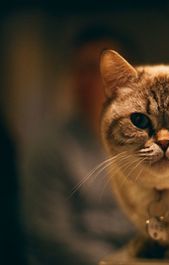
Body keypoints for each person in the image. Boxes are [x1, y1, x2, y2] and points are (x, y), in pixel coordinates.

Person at [20, 27, 134, 265]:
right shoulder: (50, 145)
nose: (84, 80)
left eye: (95, 69)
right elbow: (51, 236)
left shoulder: (139, 141)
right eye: (78, 70)